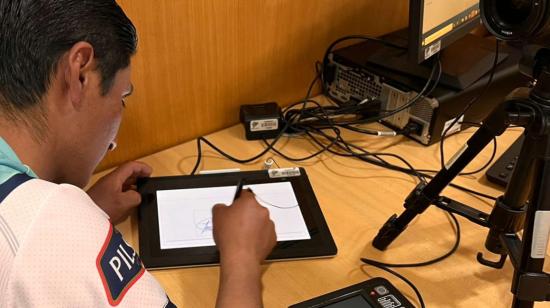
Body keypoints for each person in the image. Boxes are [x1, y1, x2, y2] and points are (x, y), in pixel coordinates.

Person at [0, 1, 276, 307]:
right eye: (122, 98)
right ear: (80, 74)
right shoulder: (52, 231)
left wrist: (89, 209)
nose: (112, 144)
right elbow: (41, 243)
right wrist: (242, 257)